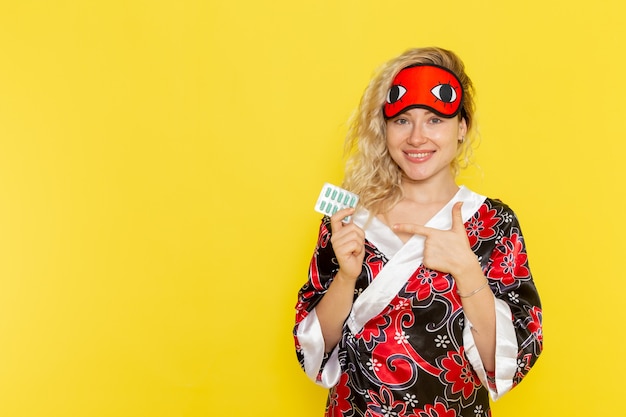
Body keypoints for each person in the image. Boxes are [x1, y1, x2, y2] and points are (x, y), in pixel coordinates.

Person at [293, 47, 543, 417]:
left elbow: (504, 366)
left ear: (462, 127)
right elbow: (314, 351)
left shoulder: (493, 222)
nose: (416, 137)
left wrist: (468, 270)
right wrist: (346, 278)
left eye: (434, 120)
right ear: (385, 127)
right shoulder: (348, 218)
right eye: (403, 120)